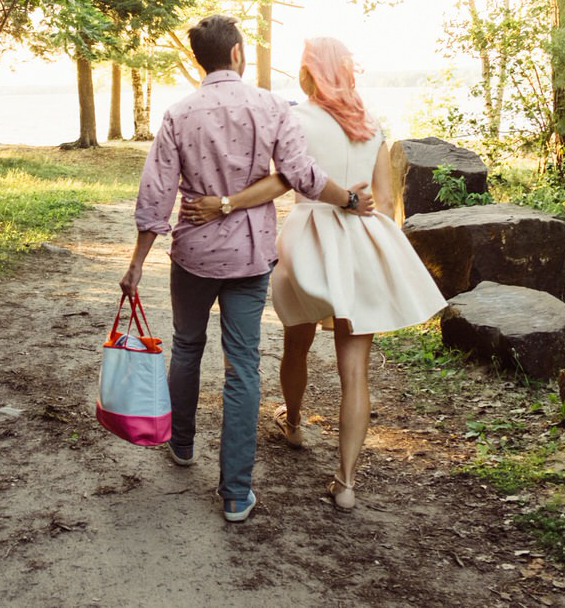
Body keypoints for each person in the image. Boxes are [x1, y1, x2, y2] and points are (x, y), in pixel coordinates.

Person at [120, 17, 375, 523]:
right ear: (237, 54)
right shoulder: (271, 106)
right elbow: (301, 176)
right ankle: (236, 493)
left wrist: (136, 262)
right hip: (249, 257)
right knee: (242, 365)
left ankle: (184, 444)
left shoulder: (178, 114)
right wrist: (348, 199)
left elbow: (156, 194)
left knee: (188, 346)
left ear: (201, 58)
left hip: (192, 256)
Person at [181, 36, 447, 512]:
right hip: (363, 244)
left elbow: (284, 182)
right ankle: (345, 483)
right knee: (355, 370)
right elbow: (385, 203)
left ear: (308, 74)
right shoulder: (371, 124)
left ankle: (295, 421)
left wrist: (226, 204)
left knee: (296, 344)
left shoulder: (296, 119)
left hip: (308, 248)